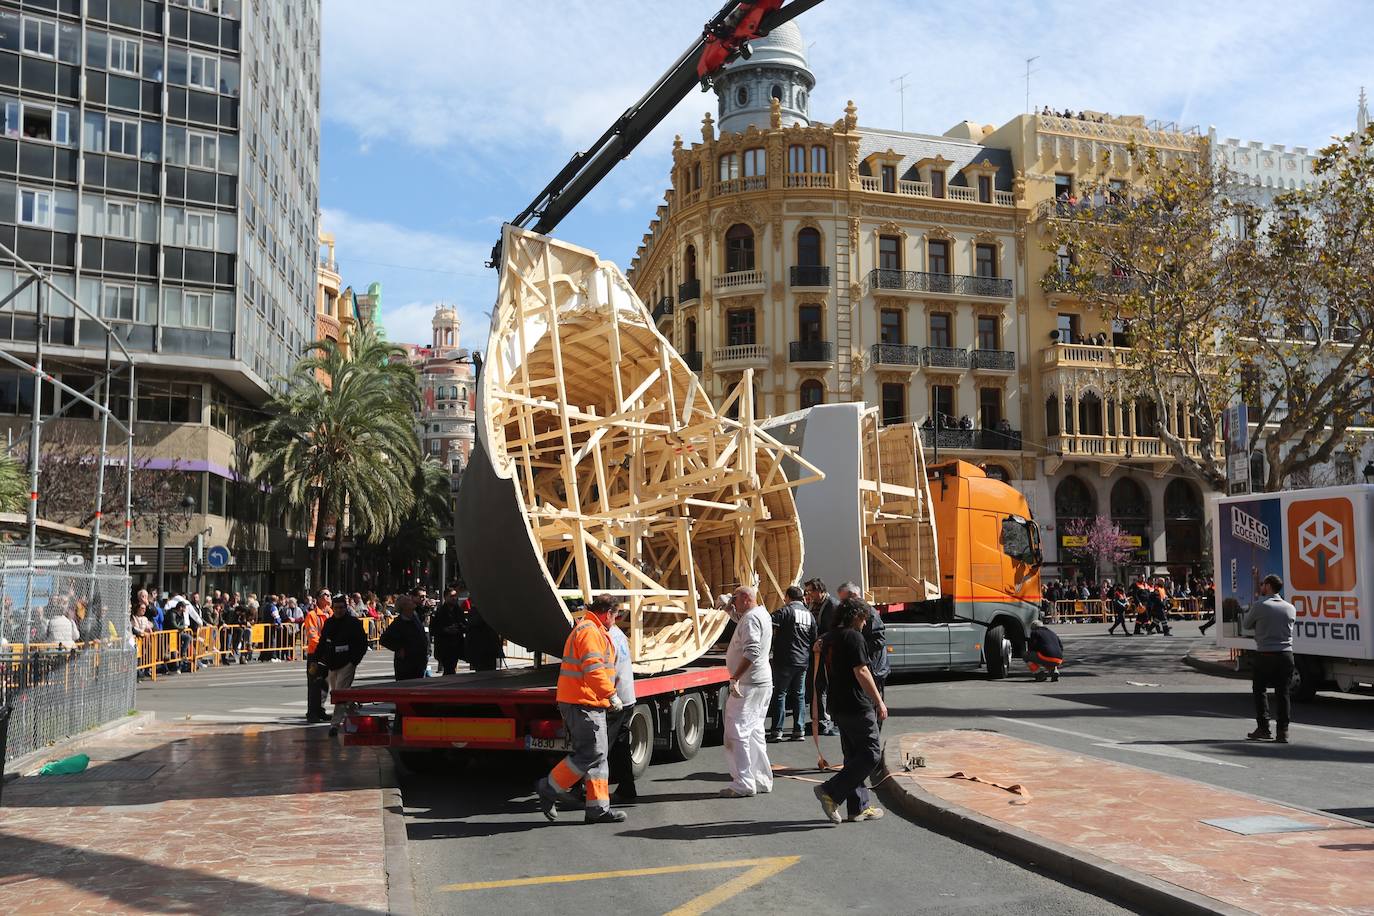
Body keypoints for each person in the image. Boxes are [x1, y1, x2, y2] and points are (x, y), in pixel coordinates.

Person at [534, 594, 626, 824]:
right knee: (592, 753)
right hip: (583, 702)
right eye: (616, 616)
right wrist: (611, 694)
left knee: (599, 756)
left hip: (587, 701)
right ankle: (549, 788)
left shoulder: (591, 630)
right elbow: (593, 669)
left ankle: (597, 808)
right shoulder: (590, 631)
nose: (616, 621)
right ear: (607, 613)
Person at [813, 598, 887, 824]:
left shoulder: (830, 637)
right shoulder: (853, 637)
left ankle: (858, 807)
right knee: (871, 754)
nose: (865, 624)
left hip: (838, 704)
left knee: (853, 756)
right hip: (857, 703)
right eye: (864, 618)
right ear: (856, 616)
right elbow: (862, 671)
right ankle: (831, 791)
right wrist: (879, 701)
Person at [720, 584, 773, 798]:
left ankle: (743, 782)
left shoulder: (751, 618)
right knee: (755, 732)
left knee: (737, 732)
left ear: (744, 599)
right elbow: (742, 623)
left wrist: (735, 677)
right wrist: (728, 609)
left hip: (749, 684)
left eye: (735, 600)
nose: (734, 604)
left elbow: (752, 650)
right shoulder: (760, 613)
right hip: (761, 682)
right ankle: (760, 779)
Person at [1242, 574, 1296, 743]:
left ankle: (1264, 728)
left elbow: (1246, 625)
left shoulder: (1260, 606)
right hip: (1286, 654)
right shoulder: (1290, 607)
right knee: (1283, 692)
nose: (1261, 586)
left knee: (1260, 690)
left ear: (1268, 586)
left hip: (1265, 653)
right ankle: (1283, 731)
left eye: (1263, 584)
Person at [317, 592, 369, 737]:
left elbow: (362, 643)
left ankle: (334, 725)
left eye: (341, 607)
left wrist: (354, 661)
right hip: (332, 664)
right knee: (340, 694)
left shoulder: (353, 623)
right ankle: (354, 710)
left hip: (347, 663)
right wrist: (317, 659)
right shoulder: (329, 623)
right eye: (336, 608)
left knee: (340, 694)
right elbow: (322, 642)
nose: (339, 610)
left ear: (346, 608)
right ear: (333, 608)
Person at [767, 585, 815, 743]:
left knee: (780, 694)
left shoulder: (786, 611)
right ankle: (799, 729)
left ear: (788, 597)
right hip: (802, 661)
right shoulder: (809, 615)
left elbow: (768, 620)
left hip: (786, 660)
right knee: (799, 695)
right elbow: (814, 637)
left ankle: (777, 730)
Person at [603, 598, 637, 801]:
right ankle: (627, 788)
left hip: (616, 700)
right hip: (626, 698)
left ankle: (586, 791)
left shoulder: (608, 638)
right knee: (620, 746)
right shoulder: (619, 635)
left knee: (600, 749)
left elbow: (605, 672)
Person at [805, 578, 839, 736]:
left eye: (811, 590)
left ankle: (826, 719)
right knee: (816, 685)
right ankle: (818, 718)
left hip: (827, 651)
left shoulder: (831, 605)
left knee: (824, 685)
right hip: (815, 650)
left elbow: (834, 628)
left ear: (820, 590)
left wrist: (821, 639)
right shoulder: (812, 604)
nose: (809, 594)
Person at [380, 595, 430, 680]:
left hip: (419, 662)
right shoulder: (399, 623)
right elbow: (384, 639)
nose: (412, 602)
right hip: (406, 665)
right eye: (409, 601)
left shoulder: (415, 618)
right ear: (404, 606)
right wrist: (399, 648)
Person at [303, 592, 331, 723]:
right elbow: (312, 635)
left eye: (329, 595)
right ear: (319, 598)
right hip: (315, 654)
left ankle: (320, 710)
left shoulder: (332, 613)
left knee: (324, 684)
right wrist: (325, 646)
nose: (328, 597)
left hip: (328, 654)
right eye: (325, 595)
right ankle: (312, 713)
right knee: (314, 684)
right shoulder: (312, 615)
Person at [430, 589, 467, 676]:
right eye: (451, 596)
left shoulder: (458, 610)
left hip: (457, 644)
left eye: (455, 596)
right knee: (449, 669)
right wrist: (445, 630)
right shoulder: (439, 612)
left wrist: (459, 627)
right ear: (445, 597)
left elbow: (464, 625)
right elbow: (433, 629)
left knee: (452, 668)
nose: (454, 598)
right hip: (445, 646)